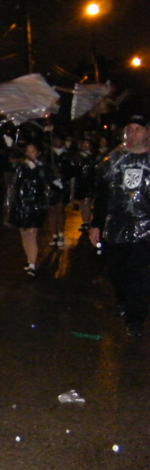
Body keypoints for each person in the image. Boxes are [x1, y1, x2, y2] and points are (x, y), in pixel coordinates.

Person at [89, 114, 150, 337]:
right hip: (116, 225)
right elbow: (103, 194)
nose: (133, 133)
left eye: (138, 128)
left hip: (146, 229)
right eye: (130, 128)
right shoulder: (115, 159)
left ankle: (136, 319)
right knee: (116, 271)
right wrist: (96, 224)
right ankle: (123, 298)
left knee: (139, 275)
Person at [8, 142, 51, 277]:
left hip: (36, 204)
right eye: (27, 151)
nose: (30, 154)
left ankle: (32, 264)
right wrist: (10, 147)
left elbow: (48, 182)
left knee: (32, 233)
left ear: (38, 153)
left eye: (33, 151)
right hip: (21, 204)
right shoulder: (20, 167)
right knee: (24, 233)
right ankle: (29, 260)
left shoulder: (42, 167)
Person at [46, 137, 74, 248]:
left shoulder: (67, 154)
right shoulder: (48, 154)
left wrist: (64, 175)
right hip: (51, 185)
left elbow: (72, 169)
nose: (57, 142)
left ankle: (61, 233)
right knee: (51, 210)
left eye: (58, 140)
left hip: (63, 185)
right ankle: (54, 235)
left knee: (60, 209)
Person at [72, 138, 98, 231]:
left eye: (88, 144)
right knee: (82, 202)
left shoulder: (94, 156)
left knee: (88, 201)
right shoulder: (77, 156)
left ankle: (87, 221)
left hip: (91, 181)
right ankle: (84, 220)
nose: (86, 146)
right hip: (81, 181)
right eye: (84, 144)